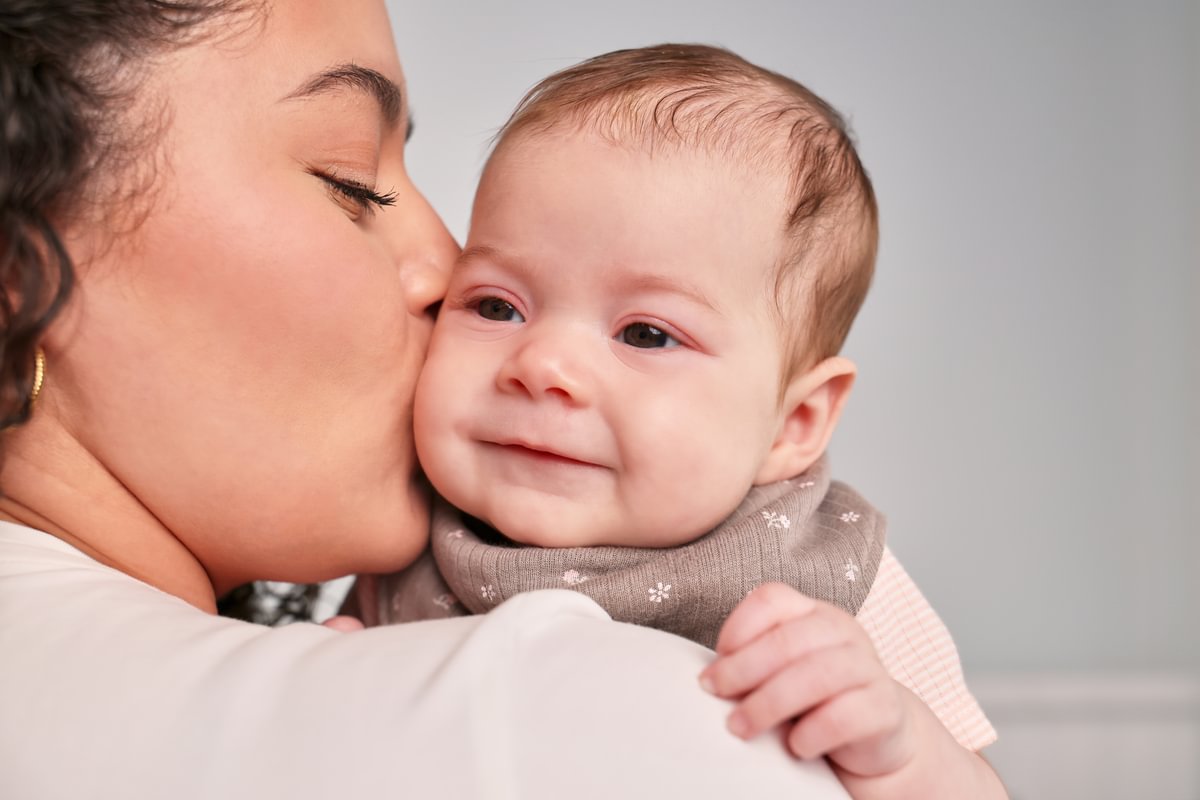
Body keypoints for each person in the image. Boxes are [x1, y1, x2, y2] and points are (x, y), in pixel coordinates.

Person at [0, 3, 896, 798]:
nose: (448, 262)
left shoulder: (814, 595)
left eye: (649, 334)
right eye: (349, 184)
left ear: (799, 423)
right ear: (16, 268)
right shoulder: (568, 709)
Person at [360, 45, 1007, 798]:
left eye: (645, 334)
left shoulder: (826, 579)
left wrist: (899, 752)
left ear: (793, 424)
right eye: (497, 306)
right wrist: (337, 676)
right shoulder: (407, 546)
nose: (542, 366)